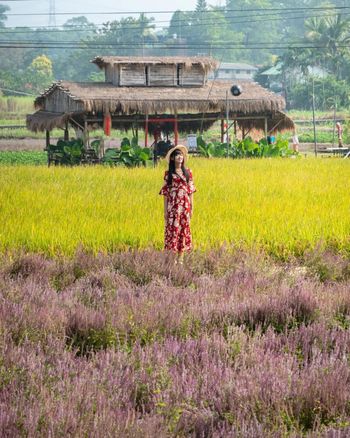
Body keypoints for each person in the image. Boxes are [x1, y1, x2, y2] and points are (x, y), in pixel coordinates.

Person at [159, 145, 196, 263]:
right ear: (172, 159)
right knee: (173, 230)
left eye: (181, 155)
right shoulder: (168, 174)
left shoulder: (188, 173)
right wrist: (165, 210)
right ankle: (173, 259)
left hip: (184, 206)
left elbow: (191, 191)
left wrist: (191, 208)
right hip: (173, 207)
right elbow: (165, 193)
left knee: (183, 230)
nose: (180, 157)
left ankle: (181, 259)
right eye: (177, 155)